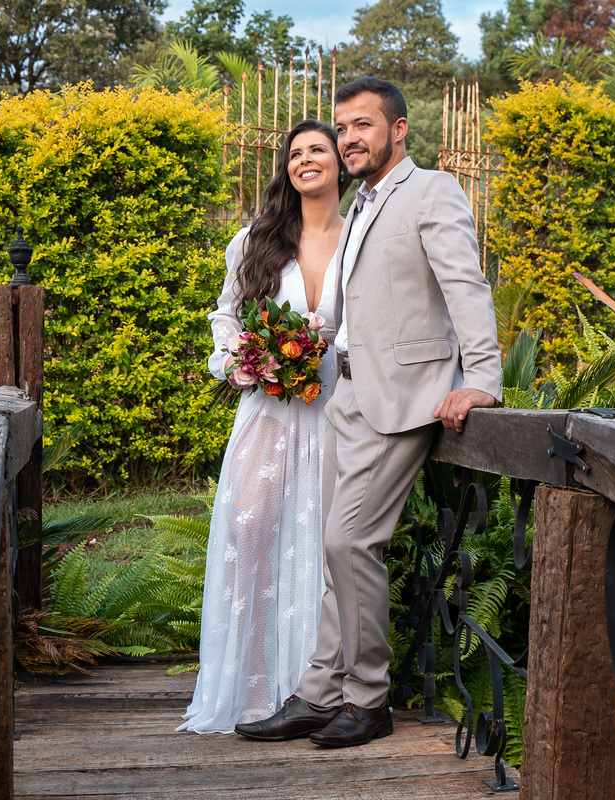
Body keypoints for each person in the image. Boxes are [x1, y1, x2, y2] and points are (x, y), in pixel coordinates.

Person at [234, 77, 503, 748]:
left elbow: (465, 285)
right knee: (335, 547)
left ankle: (368, 697)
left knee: (350, 542)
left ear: (399, 129)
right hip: (345, 395)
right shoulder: (359, 205)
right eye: (342, 126)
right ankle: (321, 691)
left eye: (363, 125)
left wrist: (484, 379)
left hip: (405, 396)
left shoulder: (432, 190)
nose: (349, 137)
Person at [178, 120, 349, 734]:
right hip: (267, 412)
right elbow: (225, 316)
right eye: (296, 152)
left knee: (328, 548)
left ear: (340, 164)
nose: (306, 160)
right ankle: (250, 690)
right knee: (248, 533)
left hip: (333, 410)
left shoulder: (360, 240)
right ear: (287, 167)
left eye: (318, 151)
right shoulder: (254, 240)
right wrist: (242, 362)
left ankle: (315, 691)